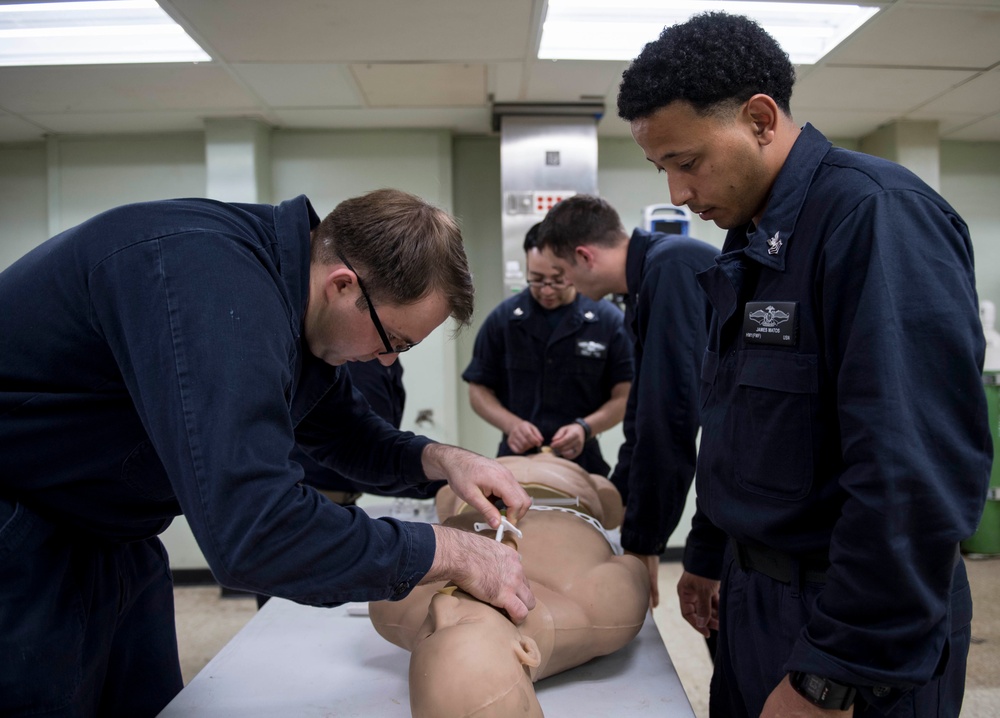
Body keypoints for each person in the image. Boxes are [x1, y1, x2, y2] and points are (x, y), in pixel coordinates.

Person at [0, 189, 535, 717]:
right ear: (343, 285)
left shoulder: (294, 304)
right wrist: (449, 553)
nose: (389, 362)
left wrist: (442, 460)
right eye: (394, 339)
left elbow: (346, 433)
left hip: (114, 532)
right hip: (24, 534)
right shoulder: (210, 286)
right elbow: (255, 530)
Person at [616, 11, 990, 718]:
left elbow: (911, 473)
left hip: (855, 620)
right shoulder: (750, 237)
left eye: (687, 162)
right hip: (754, 596)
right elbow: (738, 420)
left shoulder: (876, 218)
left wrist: (831, 675)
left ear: (760, 118)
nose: (677, 196)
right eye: (661, 167)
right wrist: (706, 549)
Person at [535, 194, 717, 609]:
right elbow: (643, 408)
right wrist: (618, 497)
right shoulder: (647, 280)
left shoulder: (670, 269)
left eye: (563, 274)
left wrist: (643, 541)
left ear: (584, 256)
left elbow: (670, 417)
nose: (569, 288)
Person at [369, 453, 649, 718]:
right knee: (603, 492)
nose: (441, 606)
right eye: (462, 624)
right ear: (526, 650)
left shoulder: (392, 606)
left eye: (428, 636)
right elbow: (633, 565)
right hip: (568, 485)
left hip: (479, 480)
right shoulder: (604, 610)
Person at [462, 223, 633, 476]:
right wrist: (512, 425)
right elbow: (478, 390)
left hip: (582, 461)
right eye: (537, 280)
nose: (547, 290)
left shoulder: (607, 321)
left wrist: (585, 428)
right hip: (515, 459)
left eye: (557, 280)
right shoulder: (504, 320)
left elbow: (625, 395)